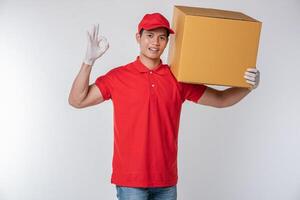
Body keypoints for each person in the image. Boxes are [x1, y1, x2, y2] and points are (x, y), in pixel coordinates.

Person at [68, 13, 260, 200]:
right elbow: (77, 100)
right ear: (138, 37)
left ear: (168, 42)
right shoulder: (118, 77)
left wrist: (248, 87)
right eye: (150, 35)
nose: (155, 42)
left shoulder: (177, 78)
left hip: (166, 181)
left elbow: (221, 100)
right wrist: (88, 62)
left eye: (162, 37)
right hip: (130, 181)